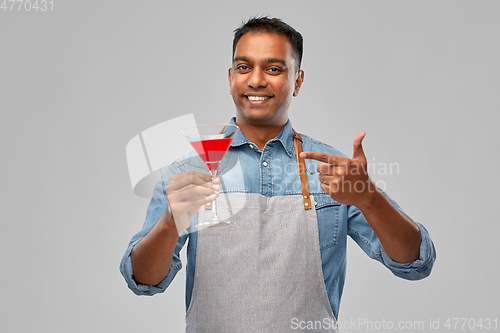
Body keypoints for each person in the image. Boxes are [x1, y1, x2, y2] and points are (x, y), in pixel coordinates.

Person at [120, 17, 436, 332]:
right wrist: (169, 223)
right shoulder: (190, 170)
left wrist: (370, 198)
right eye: (244, 67)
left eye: (274, 69)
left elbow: (415, 263)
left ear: (297, 81)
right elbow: (143, 281)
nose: (256, 80)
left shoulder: (334, 171)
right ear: (231, 78)